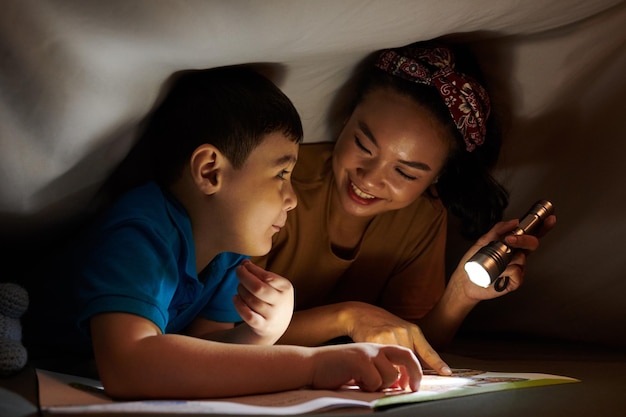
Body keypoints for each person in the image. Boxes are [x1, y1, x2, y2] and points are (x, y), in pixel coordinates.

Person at [22, 66, 422, 399]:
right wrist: (312, 364)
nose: (292, 198)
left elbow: (203, 355)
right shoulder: (140, 231)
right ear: (210, 171)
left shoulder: (227, 254)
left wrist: (260, 334)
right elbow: (130, 365)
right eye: (282, 173)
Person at [254, 41, 556, 376]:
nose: (370, 179)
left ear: (437, 177)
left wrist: (461, 293)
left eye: (404, 172)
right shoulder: (277, 184)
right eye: (362, 145)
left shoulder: (422, 215)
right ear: (345, 119)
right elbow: (227, 334)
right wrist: (350, 317)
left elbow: (416, 340)